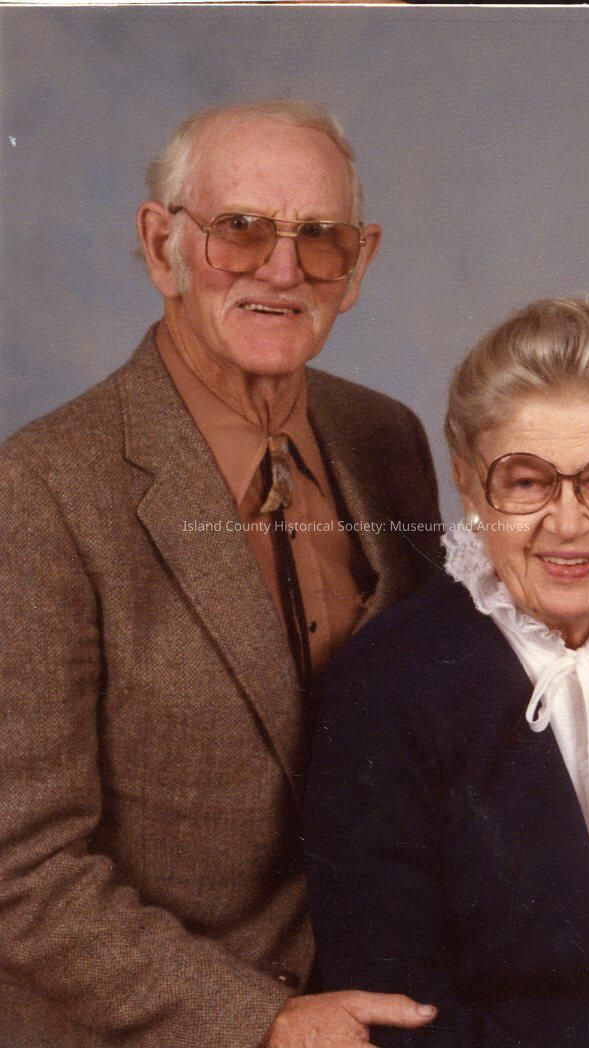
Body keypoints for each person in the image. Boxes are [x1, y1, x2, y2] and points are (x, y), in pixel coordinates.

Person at [0, 100, 443, 1046]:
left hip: (379, 1011)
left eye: (318, 237)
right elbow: (20, 868)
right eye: (239, 229)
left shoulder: (386, 439)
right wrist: (263, 1020)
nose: (281, 270)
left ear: (358, 263)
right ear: (159, 244)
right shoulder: (39, 490)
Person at [305, 298, 589, 1047]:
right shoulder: (389, 684)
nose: (568, 522)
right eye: (526, 483)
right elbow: (398, 1007)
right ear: (469, 488)